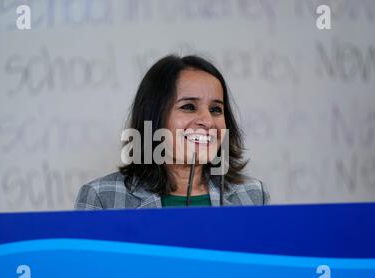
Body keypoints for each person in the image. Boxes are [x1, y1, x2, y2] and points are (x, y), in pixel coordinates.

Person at [75, 55, 270, 209]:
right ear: (154, 116)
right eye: (189, 107)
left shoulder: (253, 195)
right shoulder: (101, 197)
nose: (208, 121)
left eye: (216, 110)